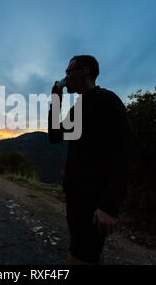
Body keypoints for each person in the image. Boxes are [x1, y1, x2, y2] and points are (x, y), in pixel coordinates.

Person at [48, 55, 133, 265]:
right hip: (76, 194)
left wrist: (110, 206)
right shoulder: (78, 107)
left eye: (69, 72)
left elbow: (124, 152)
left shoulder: (107, 100)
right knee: (89, 253)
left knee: (79, 255)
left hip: (93, 198)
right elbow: (54, 136)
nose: (65, 77)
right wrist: (56, 101)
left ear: (85, 71)